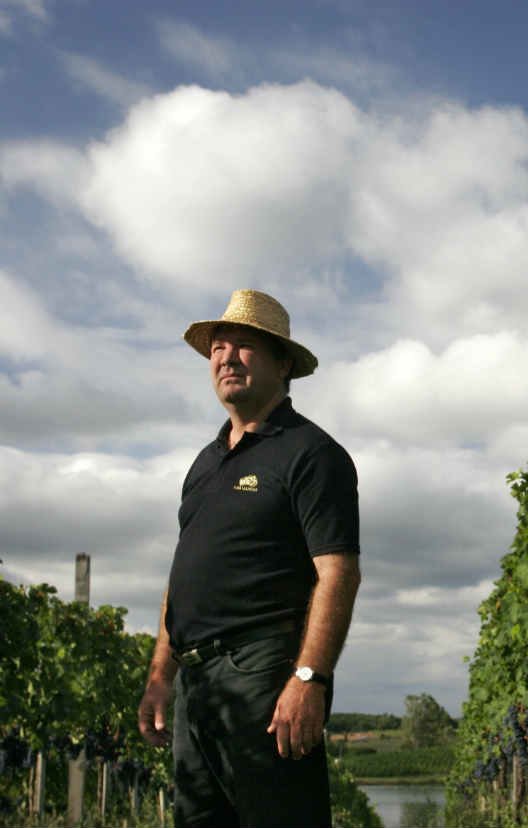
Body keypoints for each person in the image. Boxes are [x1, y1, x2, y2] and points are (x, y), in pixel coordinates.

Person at [138, 289, 361, 828]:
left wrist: (310, 678)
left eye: (243, 346)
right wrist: (160, 675)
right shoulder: (204, 464)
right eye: (217, 347)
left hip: (263, 676)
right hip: (196, 687)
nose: (226, 358)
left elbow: (338, 571)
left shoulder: (312, 453)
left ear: (282, 363)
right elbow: (183, 575)